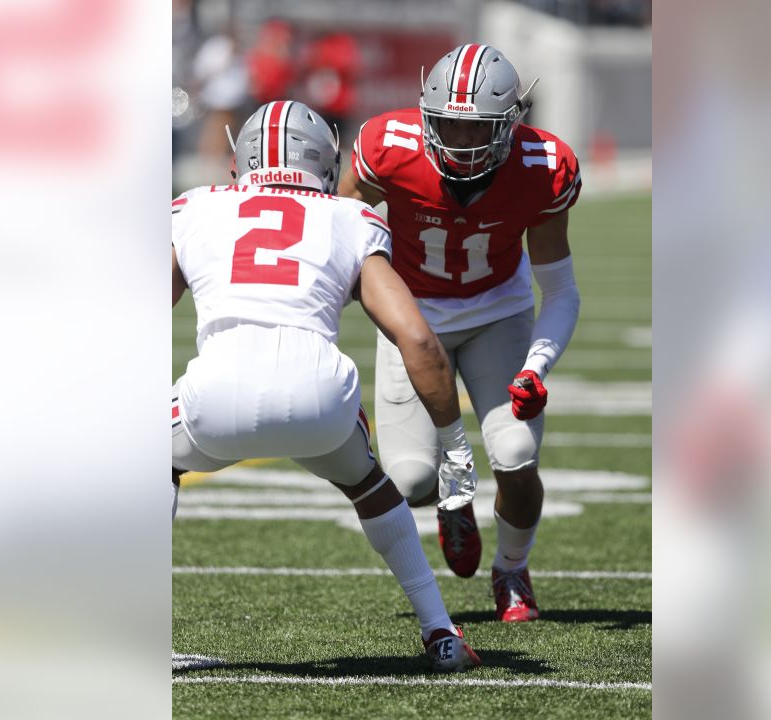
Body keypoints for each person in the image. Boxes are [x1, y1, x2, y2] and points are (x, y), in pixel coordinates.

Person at [171, 99, 482, 672]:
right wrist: (455, 448)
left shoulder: (192, 207)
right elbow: (417, 338)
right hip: (321, 394)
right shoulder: (351, 217)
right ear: (323, 160)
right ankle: (440, 632)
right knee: (368, 483)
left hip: (217, 388)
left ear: (241, 160)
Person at [337, 44, 582, 623]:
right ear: (424, 114)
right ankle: (453, 502)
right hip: (412, 316)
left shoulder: (544, 166)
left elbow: (562, 289)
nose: (459, 141)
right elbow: (341, 235)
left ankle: (513, 570)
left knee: (517, 454)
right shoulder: (387, 148)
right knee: (411, 480)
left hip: (498, 309)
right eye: (446, 124)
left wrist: (535, 367)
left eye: (476, 130)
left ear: (509, 124)